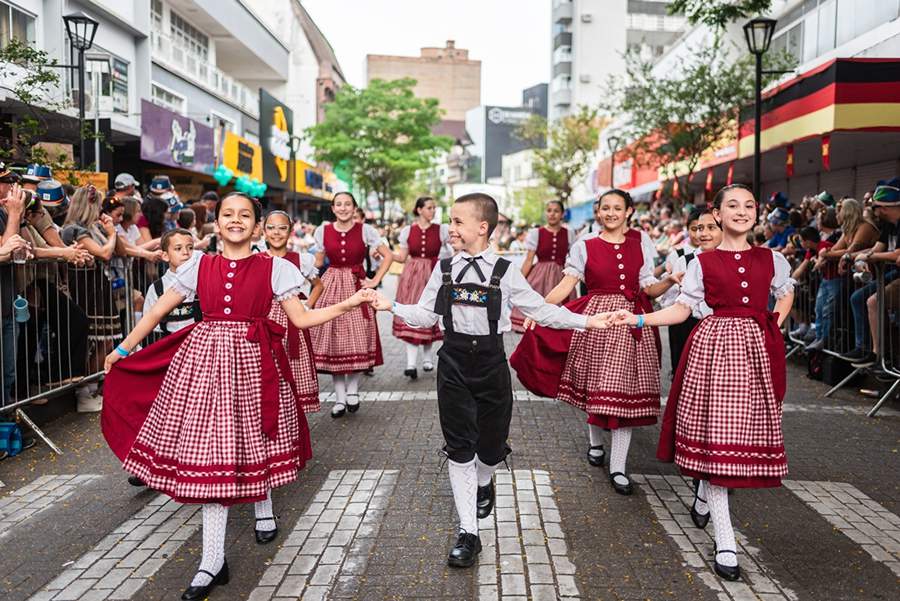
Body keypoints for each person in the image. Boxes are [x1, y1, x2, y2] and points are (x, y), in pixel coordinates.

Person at [101, 192, 374, 600]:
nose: (235, 220)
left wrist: (350, 302)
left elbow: (300, 317)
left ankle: (260, 515)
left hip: (254, 365)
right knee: (214, 457)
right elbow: (157, 312)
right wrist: (122, 350)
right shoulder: (199, 264)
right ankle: (212, 561)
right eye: (227, 214)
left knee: (252, 446)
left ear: (257, 226)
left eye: (245, 215)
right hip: (204, 365)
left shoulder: (276, 268)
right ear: (217, 220)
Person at [371, 192, 605, 569]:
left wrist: (588, 321)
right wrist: (392, 306)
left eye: (458, 221)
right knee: (460, 446)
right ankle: (469, 532)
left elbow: (541, 310)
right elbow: (427, 317)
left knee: (491, 449)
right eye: (450, 220)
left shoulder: (505, 270)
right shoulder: (443, 269)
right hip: (454, 364)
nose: (451, 227)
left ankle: (485, 481)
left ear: (483, 227)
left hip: (492, 364)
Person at [604, 183, 795, 582]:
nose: (741, 212)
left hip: (757, 352)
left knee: (740, 436)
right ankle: (725, 540)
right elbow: (681, 308)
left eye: (748, 205)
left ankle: (706, 494)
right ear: (718, 213)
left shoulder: (773, 259)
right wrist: (639, 319)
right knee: (717, 436)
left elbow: (785, 293)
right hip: (713, 349)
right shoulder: (701, 262)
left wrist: (772, 325)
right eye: (733, 206)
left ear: (756, 213)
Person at [511, 189, 681, 496]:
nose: (612, 213)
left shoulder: (640, 242)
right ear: (598, 212)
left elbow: (649, 290)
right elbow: (566, 285)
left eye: (618, 208)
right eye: (606, 208)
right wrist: (541, 311)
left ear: (629, 211)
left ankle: (618, 467)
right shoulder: (584, 245)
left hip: (631, 323)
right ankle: (595, 442)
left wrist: (670, 280)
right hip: (596, 322)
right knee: (597, 386)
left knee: (624, 394)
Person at [311, 192, 393, 417]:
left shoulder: (366, 230)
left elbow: (388, 256)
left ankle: (353, 391)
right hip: (331, 284)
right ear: (333, 208)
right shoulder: (322, 230)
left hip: (357, 285)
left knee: (357, 336)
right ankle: (339, 398)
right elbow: (317, 263)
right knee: (334, 337)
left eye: (348, 204)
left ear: (354, 208)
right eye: (339, 204)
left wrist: (375, 280)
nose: (343, 208)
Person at [61, 185, 119, 412]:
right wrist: (112, 234)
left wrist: (110, 231)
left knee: (105, 339)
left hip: (97, 286)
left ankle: (92, 389)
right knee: (93, 340)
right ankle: (85, 392)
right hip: (85, 288)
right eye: (98, 205)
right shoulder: (74, 230)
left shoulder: (92, 228)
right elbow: (105, 253)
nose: (101, 210)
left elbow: (119, 251)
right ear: (89, 206)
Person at [263, 210, 323, 414]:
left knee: (294, 367)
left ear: (290, 232)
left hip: (293, 321)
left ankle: (292, 417)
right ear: (263, 232)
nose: (276, 233)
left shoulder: (301, 259)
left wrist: (307, 307)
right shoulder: (256, 258)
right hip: (265, 321)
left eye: (282, 228)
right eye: (271, 228)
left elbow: (318, 285)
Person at [392, 196, 450, 378]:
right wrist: (384, 254)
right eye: (429, 208)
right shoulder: (408, 231)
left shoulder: (442, 230)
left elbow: (453, 249)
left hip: (433, 274)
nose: (432, 211)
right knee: (412, 313)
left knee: (430, 311)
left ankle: (427, 358)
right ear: (419, 210)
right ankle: (411, 363)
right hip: (412, 276)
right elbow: (401, 257)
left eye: (434, 208)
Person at [509, 200, 575, 333]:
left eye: (556, 211)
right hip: (540, 275)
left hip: (560, 276)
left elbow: (573, 258)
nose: (552, 214)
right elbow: (529, 260)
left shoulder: (569, 233)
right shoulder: (536, 233)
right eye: (549, 210)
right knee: (535, 303)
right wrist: (519, 281)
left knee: (560, 311)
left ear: (562, 214)